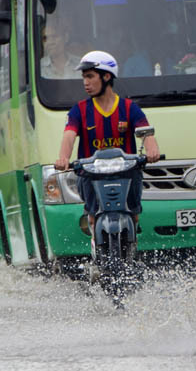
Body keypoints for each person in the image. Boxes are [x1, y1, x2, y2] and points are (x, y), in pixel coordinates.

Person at [54, 51, 161, 234]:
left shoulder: (128, 108)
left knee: (134, 211)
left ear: (106, 76)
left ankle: (132, 230)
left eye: (90, 76)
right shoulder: (79, 110)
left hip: (125, 172)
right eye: (84, 77)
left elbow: (146, 132)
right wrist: (63, 158)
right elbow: (69, 135)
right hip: (91, 173)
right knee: (93, 214)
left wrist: (152, 150)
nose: (85, 82)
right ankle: (96, 231)